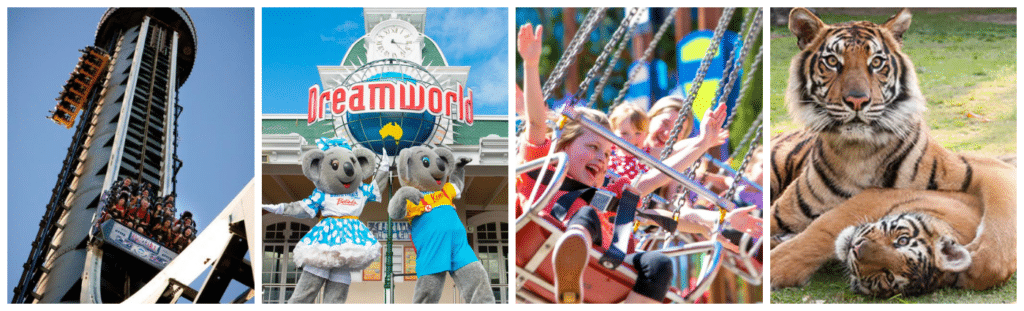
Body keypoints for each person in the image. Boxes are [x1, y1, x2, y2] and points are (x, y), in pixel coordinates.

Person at [517, 23, 671, 303]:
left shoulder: (608, 195)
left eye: (609, 154)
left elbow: (657, 177)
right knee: (586, 216)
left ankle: (580, 279)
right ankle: (569, 267)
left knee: (659, 264)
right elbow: (537, 121)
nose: (603, 158)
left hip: (603, 266)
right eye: (592, 147)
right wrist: (530, 64)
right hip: (540, 242)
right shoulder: (543, 171)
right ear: (563, 146)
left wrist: (702, 144)